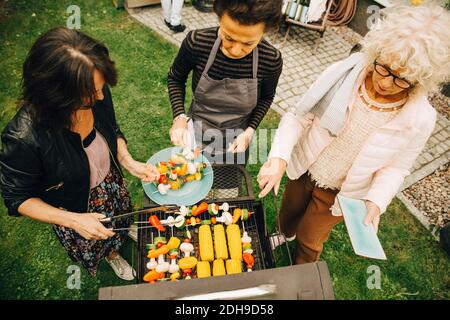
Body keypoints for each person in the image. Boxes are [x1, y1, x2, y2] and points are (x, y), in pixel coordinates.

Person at [258, 4, 450, 264]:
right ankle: (283, 234)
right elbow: (299, 115)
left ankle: (302, 272)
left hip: (342, 191)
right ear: (376, 51)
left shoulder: (421, 119)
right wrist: (280, 157)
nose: (385, 82)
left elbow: (396, 168)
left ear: (421, 79)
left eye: (401, 79)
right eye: (383, 67)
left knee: (311, 238)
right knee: (289, 211)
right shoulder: (343, 74)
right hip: (306, 165)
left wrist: (376, 201)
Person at [0, 28, 160, 279]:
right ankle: (111, 254)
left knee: (121, 211)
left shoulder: (96, 92)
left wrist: (127, 160)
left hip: (109, 182)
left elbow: (110, 128)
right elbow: (17, 197)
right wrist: (74, 220)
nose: (99, 96)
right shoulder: (23, 137)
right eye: (90, 95)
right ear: (56, 95)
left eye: (100, 88)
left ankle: (124, 227)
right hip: (76, 205)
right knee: (98, 238)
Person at [167, 0, 283, 165]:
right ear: (219, 18)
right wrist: (179, 117)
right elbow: (175, 78)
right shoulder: (197, 42)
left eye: (248, 43)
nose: (235, 50)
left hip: (235, 142)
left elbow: (266, 98)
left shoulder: (270, 60)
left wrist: (250, 130)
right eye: (228, 37)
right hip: (195, 134)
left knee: (227, 190)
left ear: (265, 31)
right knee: (190, 181)